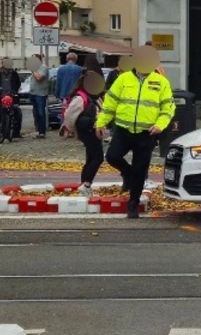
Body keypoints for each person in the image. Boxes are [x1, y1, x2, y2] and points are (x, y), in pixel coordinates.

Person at [95, 54, 176, 219]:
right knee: (112, 156)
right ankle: (128, 174)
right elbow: (110, 103)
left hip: (147, 133)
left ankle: (133, 203)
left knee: (140, 169)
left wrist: (160, 125)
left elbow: (168, 107)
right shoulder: (124, 78)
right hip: (123, 130)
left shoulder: (161, 81)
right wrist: (101, 122)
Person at [60, 71, 103, 199]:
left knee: (91, 158)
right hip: (88, 131)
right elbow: (69, 115)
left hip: (93, 130)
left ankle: (84, 185)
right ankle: (86, 185)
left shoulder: (94, 96)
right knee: (98, 158)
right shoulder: (81, 97)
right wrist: (72, 130)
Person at [0, 59, 21, 138]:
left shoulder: (14, 74)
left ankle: (15, 132)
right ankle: (3, 130)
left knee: (16, 113)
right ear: (2, 64)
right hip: (1, 96)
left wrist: (14, 91)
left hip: (12, 96)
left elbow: (18, 83)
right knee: (2, 114)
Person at [28, 53, 51, 138]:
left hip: (40, 94)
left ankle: (42, 132)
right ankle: (38, 130)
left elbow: (39, 78)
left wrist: (33, 70)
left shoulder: (43, 67)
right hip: (33, 93)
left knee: (41, 113)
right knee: (36, 113)